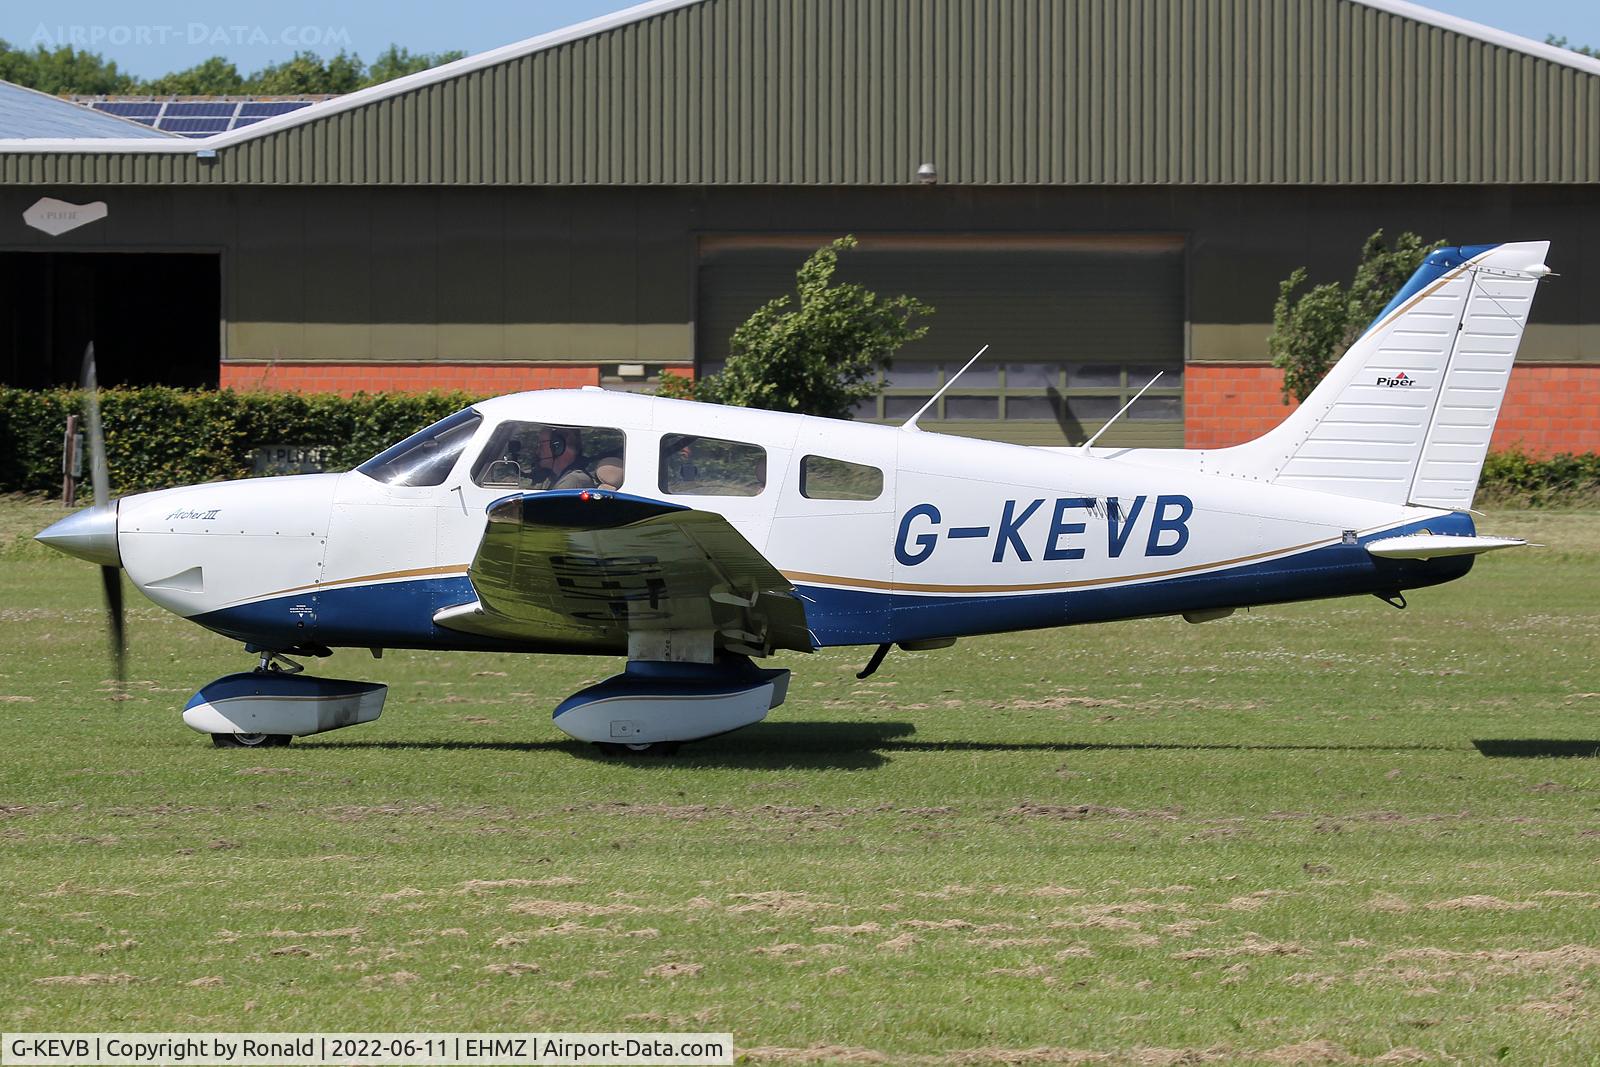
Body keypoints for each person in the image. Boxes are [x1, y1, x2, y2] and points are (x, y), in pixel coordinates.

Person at [534, 426, 595, 491]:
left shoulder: (572, 482)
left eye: (541, 445)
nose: (537, 452)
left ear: (557, 447)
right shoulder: (552, 479)